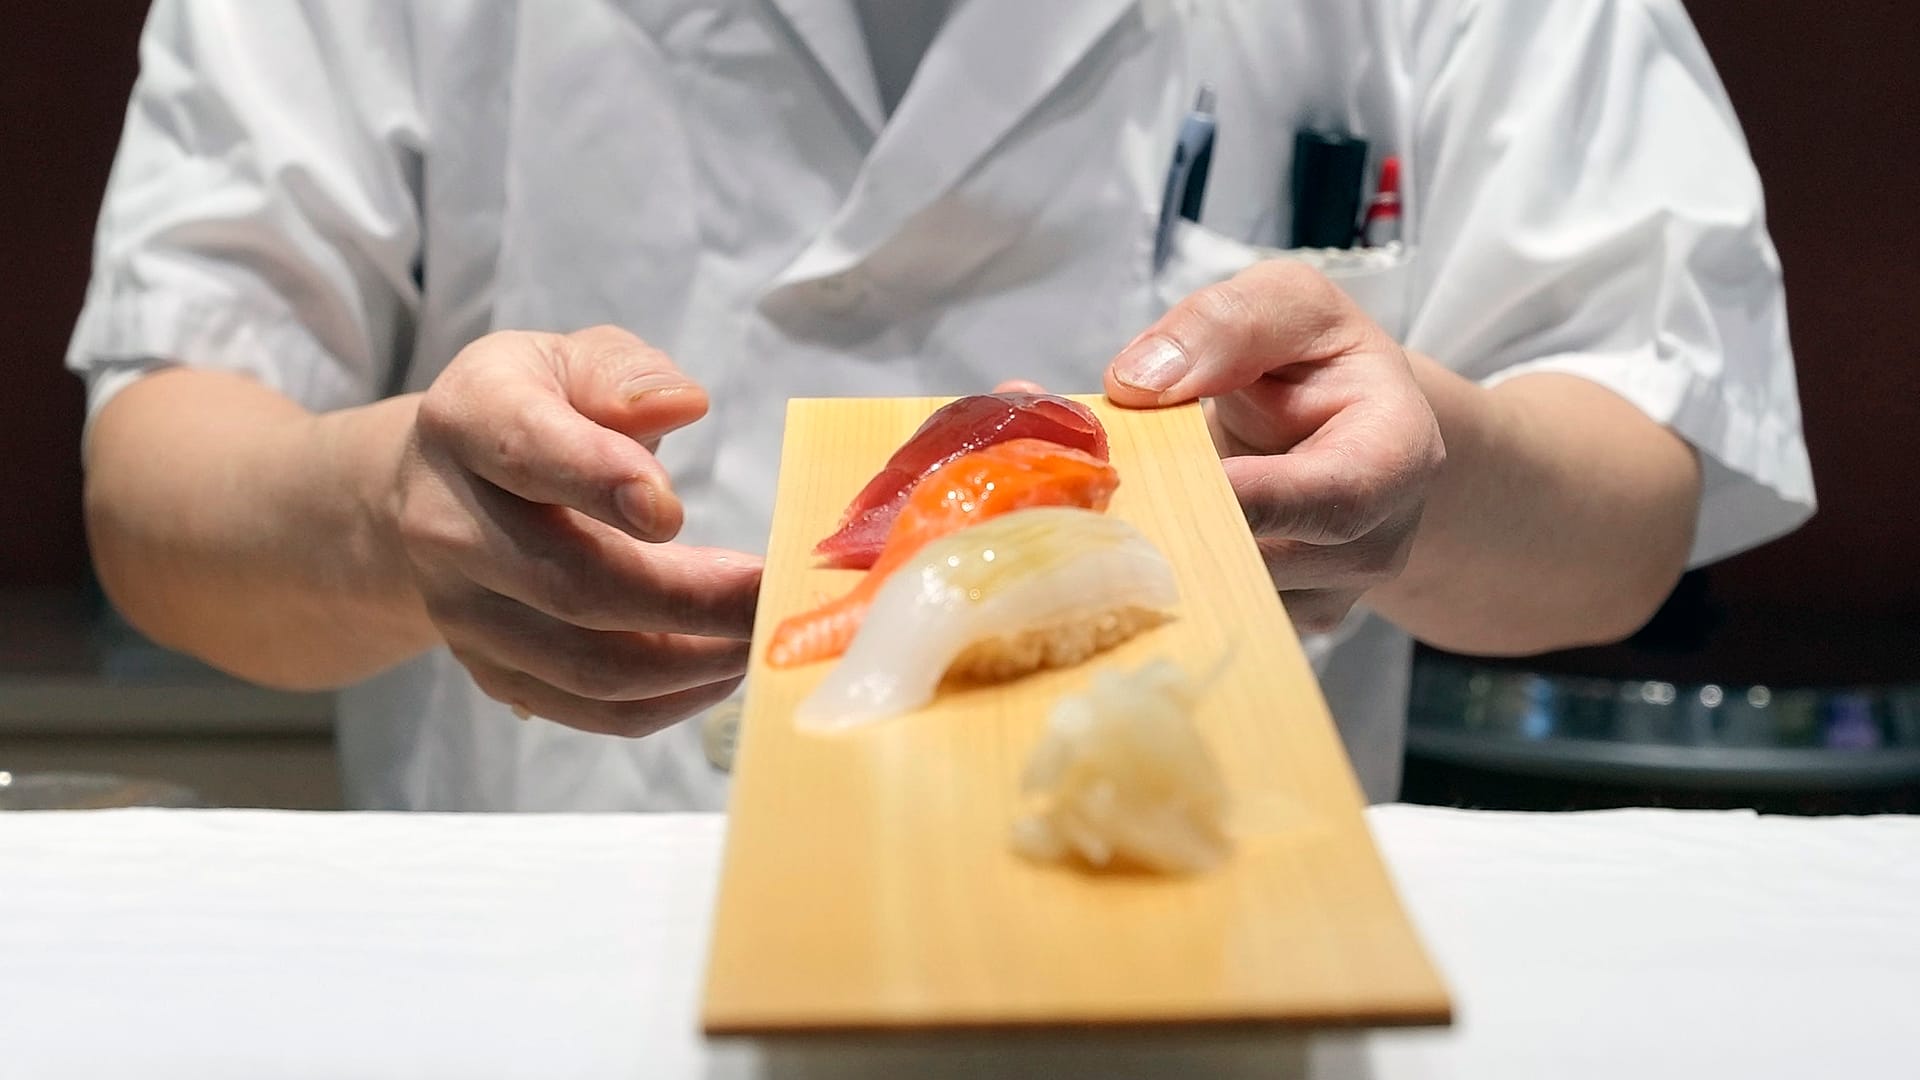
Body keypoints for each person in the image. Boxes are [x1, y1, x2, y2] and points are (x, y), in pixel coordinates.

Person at [66, 0, 1814, 811]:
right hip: (562, 947)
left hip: (1206, 945)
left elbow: (1635, 479)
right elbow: (159, 488)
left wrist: (1435, 474)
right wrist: (389, 517)